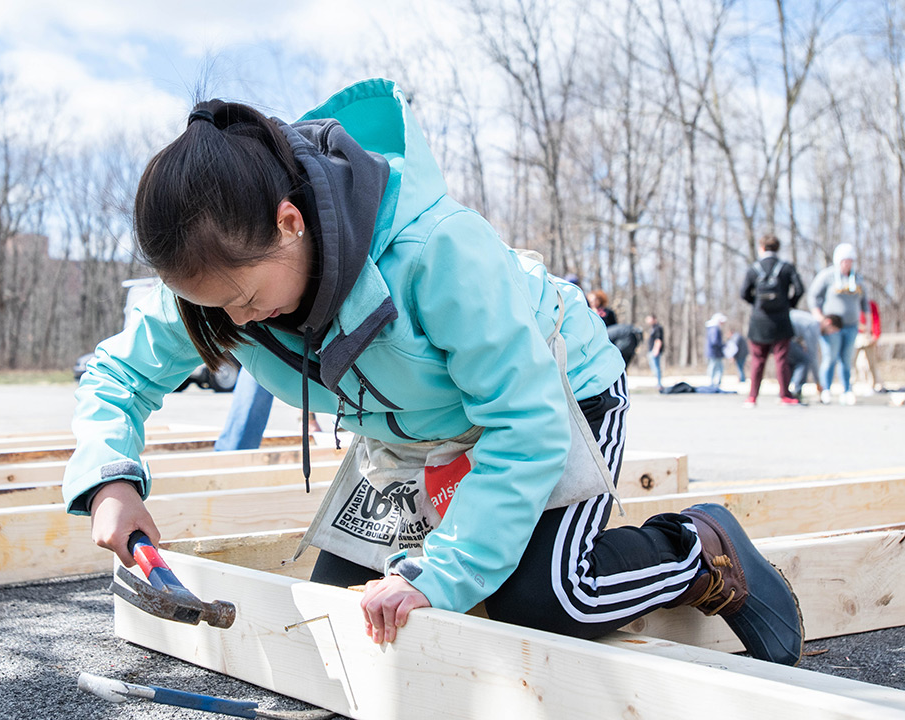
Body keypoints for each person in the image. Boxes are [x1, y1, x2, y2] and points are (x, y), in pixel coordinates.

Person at [62, 79, 802, 665]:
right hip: (410, 436)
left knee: (544, 603)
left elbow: (527, 425)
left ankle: (695, 548)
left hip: (550, 398)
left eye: (249, 299)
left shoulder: (436, 250)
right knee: (349, 625)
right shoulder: (212, 283)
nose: (241, 322)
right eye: (218, 309)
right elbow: (115, 377)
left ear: (291, 223)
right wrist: (110, 481)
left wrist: (438, 576)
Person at [740, 234, 804, 407]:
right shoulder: (786, 268)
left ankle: (752, 397)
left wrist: (757, 305)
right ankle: (785, 395)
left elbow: (743, 293)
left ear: (762, 248)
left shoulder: (754, 269)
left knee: (757, 360)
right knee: (781, 359)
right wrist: (788, 304)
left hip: (759, 321)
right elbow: (799, 289)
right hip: (781, 321)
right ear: (777, 248)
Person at [809, 243, 868, 405]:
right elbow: (813, 296)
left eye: (850, 261)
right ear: (838, 261)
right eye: (844, 261)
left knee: (847, 359)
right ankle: (825, 389)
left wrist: (867, 321)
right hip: (831, 325)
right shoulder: (827, 276)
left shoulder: (857, 278)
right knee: (830, 357)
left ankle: (847, 390)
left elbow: (865, 301)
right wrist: (818, 316)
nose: (847, 264)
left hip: (851, 325)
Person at [788, 309, 842, 400]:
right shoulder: (813, 326)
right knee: (804, 359)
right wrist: (818, 382)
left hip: (781, 332)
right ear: (828, 322)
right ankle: (796, 392)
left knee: (795, 357)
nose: (830, 334)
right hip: (779, 333)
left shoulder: (810, 320)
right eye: (832, 330)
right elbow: (812, 356)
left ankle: (786, 391)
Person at [854, 300, 883, 394]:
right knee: (854, 363)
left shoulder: (871, 305)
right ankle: (852, 384)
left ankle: (873, 384)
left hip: (867, 336)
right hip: (855, 336)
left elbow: (876, 319)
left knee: (871, 362)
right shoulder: (852, 303)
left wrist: (876, 334)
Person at [704, 313, 727, 389]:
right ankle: (713, 382)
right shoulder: (714, 329)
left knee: (717, 367)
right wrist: (722, 345)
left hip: (716, 352)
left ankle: (716, 382)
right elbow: (714, 341)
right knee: (714, 367)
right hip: (715, 352)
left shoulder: (714, 328)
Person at [644, 314, 665, 391]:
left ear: (654, 319)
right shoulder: (652, 328)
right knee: (654, 368)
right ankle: (657, 383)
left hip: (654, 351)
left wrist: (656, 350)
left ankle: (659, 384)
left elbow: (658, 340)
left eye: (649, 319)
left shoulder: (657, 328)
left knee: (656, 368)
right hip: (651, 351)